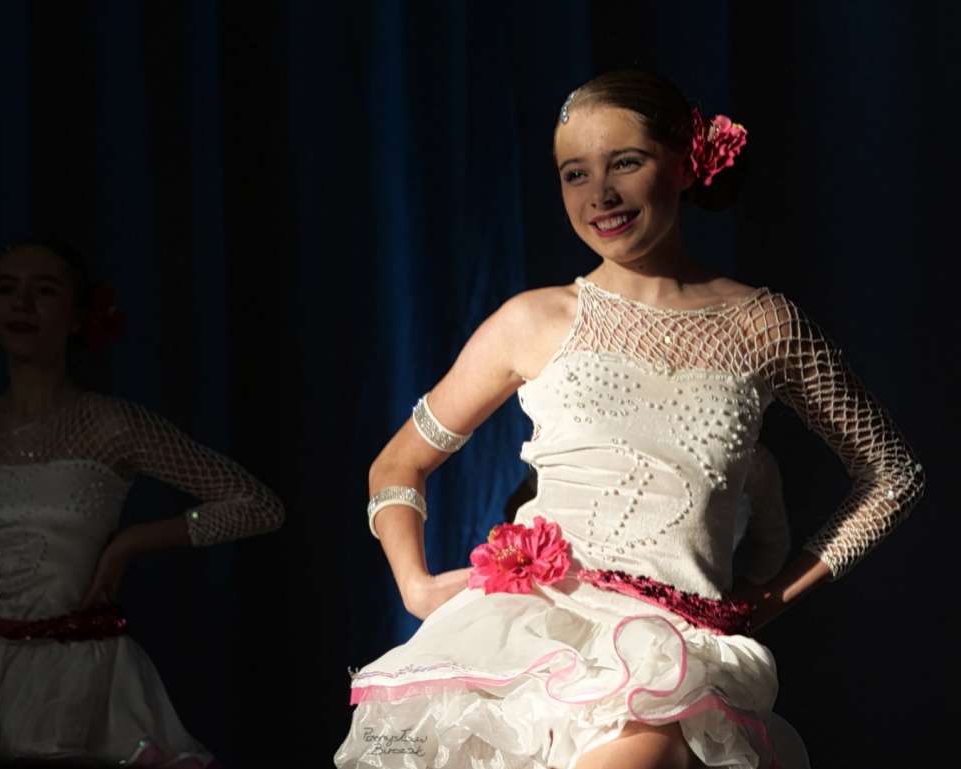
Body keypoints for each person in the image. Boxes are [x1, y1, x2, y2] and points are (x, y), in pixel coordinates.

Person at [333, 69, 924, 769]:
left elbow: (893, 474)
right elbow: (398, 462)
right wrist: (416, 586)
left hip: (664, 658)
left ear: (685, 162)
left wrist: (770, 598)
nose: (600, 194)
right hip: (520, 639)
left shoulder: (764, 325)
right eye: (575, 174)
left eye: (626, 163)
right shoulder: (533, 320)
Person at [0, 240, 285, 765]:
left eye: (43, 290)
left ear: (79, 314)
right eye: (7, 288)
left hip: (76, 678)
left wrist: (129, 542)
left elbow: (257, 505)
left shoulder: (111, 425)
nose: (21, 303)